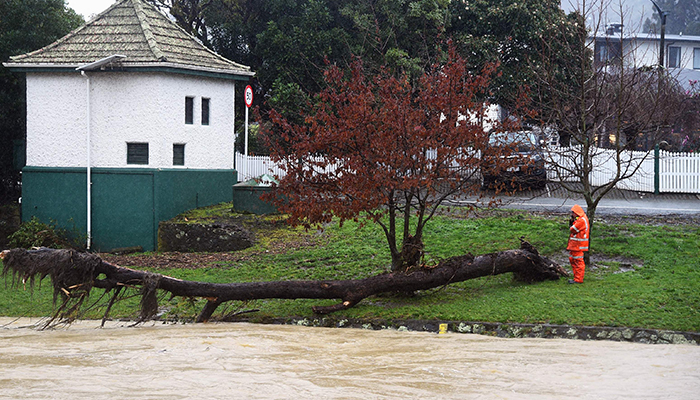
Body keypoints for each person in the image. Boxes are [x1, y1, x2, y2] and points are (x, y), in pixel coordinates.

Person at [567, 204, 589, 284]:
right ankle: (576, 277)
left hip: (578, 245)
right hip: (576, 245)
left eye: (573, 212)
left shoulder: (581, 220)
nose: (572, 214)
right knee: (573, 260)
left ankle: (578, 279)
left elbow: (573, 229)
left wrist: (572, 222)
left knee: (578, 261)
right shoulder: (581, 218)